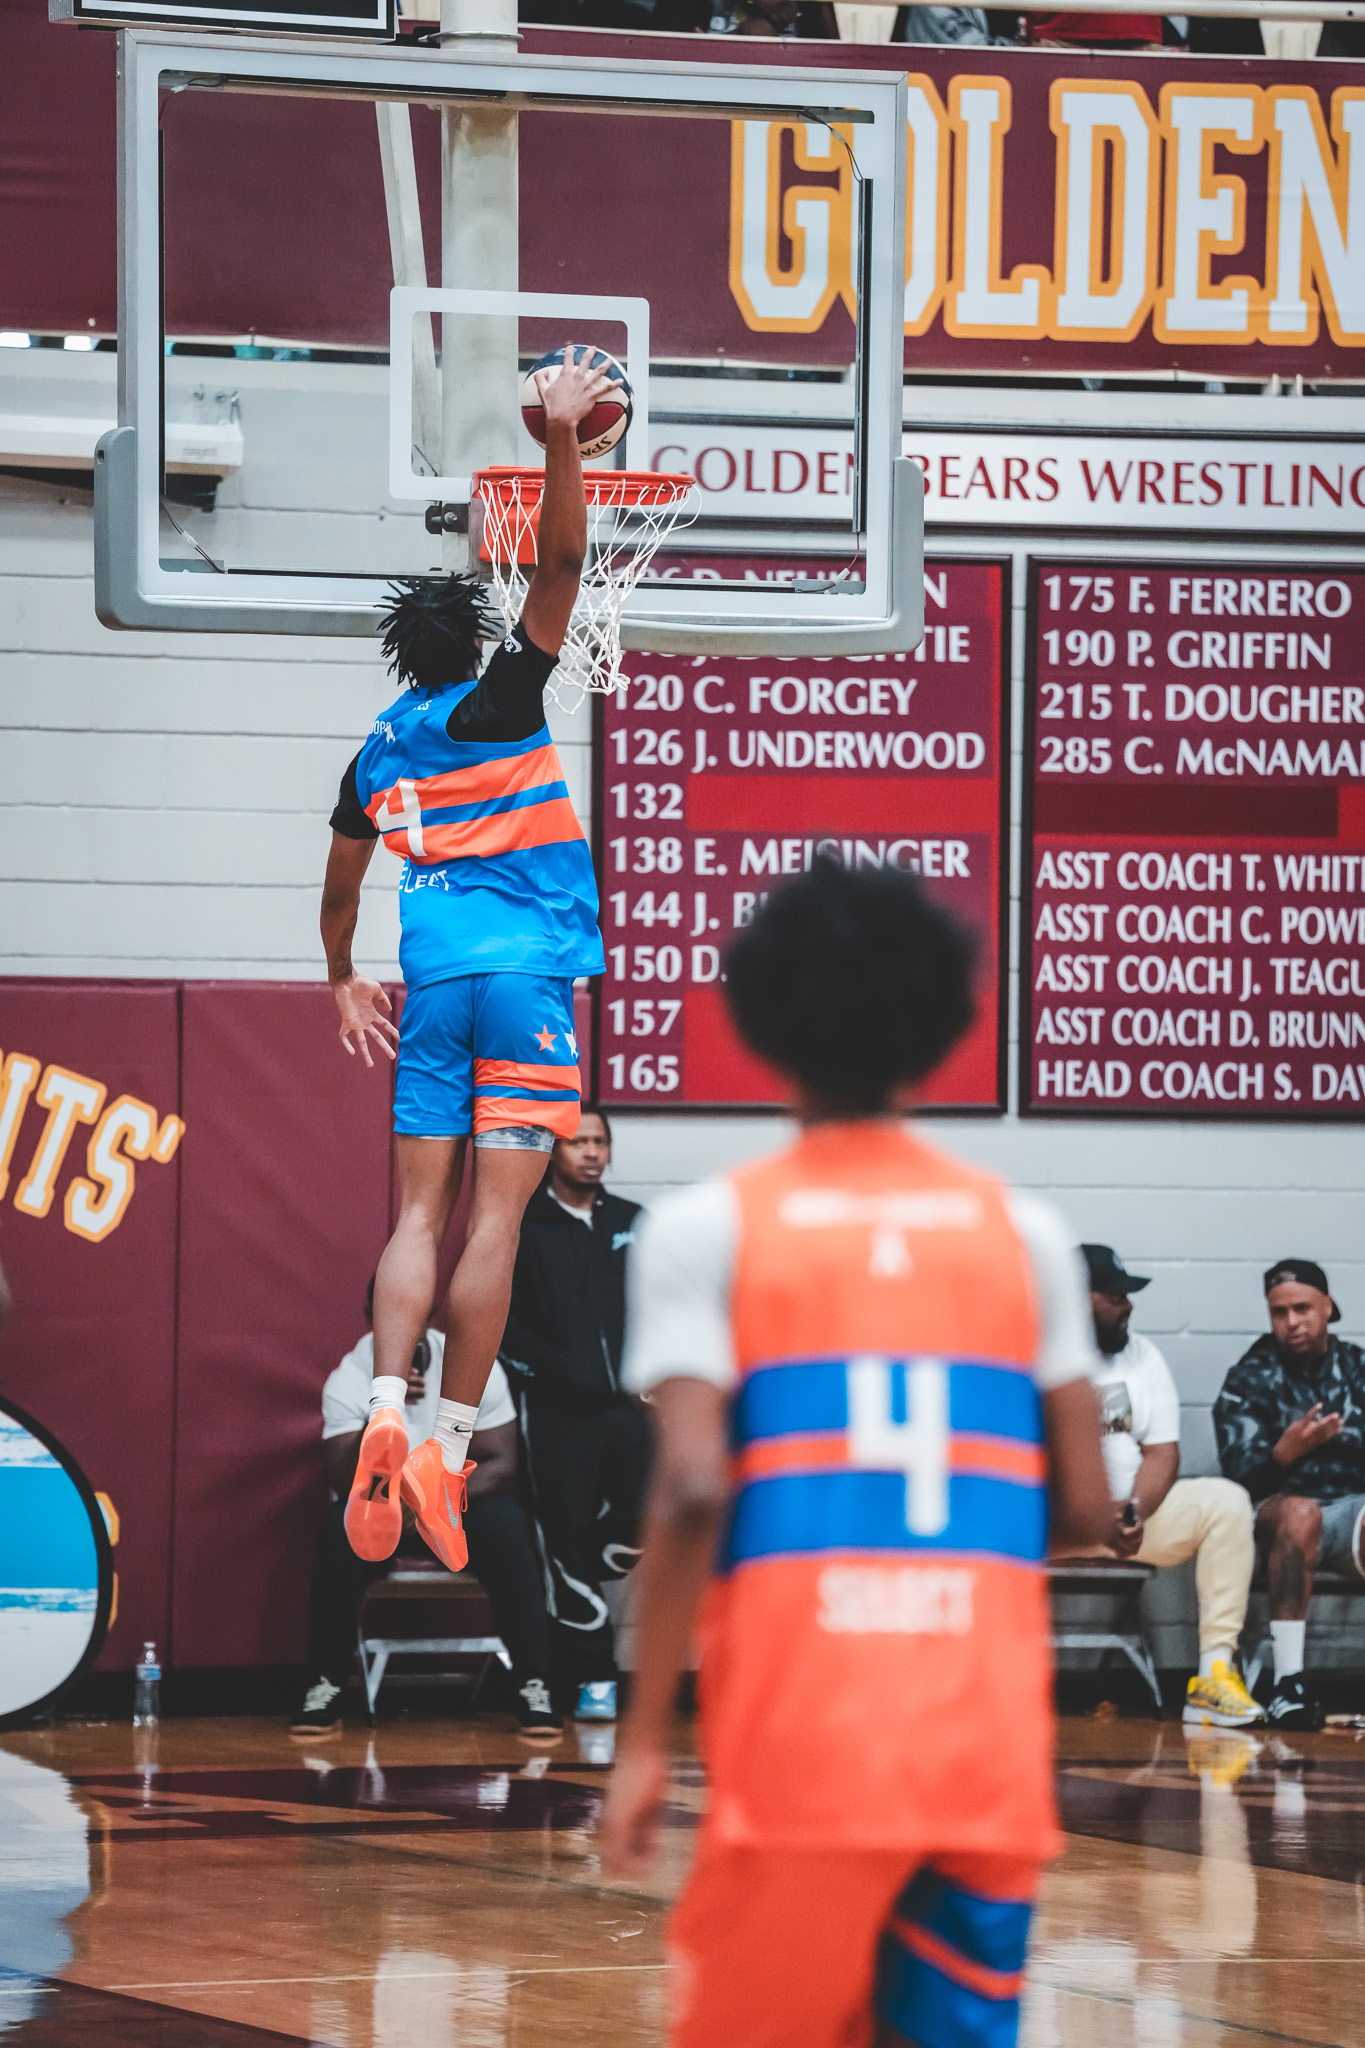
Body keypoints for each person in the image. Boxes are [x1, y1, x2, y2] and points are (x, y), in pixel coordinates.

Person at [599, 860, 1111, 2048]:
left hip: (805, 1746)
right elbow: (1088, 1504)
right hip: (981, 1748)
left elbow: (691, 1489)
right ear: (940, 1025)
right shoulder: (1024, 1231)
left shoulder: (709, 1225)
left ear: (761, 1022)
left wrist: (641, 1742)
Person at [319, 346, 614, 1576]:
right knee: (498, 1215)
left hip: (433, 985)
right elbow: (561, 564)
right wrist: (562, 436)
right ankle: (445, 1444)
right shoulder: (501, 703)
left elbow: (340, 891)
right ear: (479, 641)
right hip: (525, 980)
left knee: (416, 1215)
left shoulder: (376, 756)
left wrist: (342, 977)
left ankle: (384, 1401)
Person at [292, 1279, 561, 1740]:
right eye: (390, 1313)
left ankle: (533, 1684)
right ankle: (325, 1684)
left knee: (508, 1524)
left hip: (449, 1501)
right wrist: (382, 1417)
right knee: (339, 1532)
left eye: (415, 1314)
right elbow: (340, 1479)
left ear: (430, 1314)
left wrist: (430, 1498)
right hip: (382, 1504)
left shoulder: (471, 1365)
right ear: (370, 1317)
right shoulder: (350, 1378)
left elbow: (503, 1464)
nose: (405, 1326)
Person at [500, 1107, 649, 1722]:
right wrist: (561, 1374)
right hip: (556, 1414)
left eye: (600, 1141)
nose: (591, 1152)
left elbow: (665, 1305)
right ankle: (593, 1679)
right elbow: (502, 1326)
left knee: (647, 1513)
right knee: (564, 1540)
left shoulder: (634, 1222)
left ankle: (593, 1553)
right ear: (553, 1152)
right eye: (578, 1141)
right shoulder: (520, 1226)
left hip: (630, 1409)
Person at [1080, 1244, 1261, 1730]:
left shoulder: (1141, 1356)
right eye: (1115, 1296)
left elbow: (1162, 1453)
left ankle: (1213, 1679)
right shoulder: (1030, 1354)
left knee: (1226, 1501)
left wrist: (1134, 1511)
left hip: (1127, 1524)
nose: (1128, 1306)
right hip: (1049, 1525)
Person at [1214, 1258, 1365, 1732]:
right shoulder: (1250, 1375)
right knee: (1301, 1514)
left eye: (1302, 1308)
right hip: (1276, 1516)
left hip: (1348, 1511)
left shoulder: (1357, 1367)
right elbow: (1238, 1482)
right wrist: (1285, 1454)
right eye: (1279, 1312)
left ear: (1328, 1307)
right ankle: (1288, 1685)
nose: (1291, 1321)